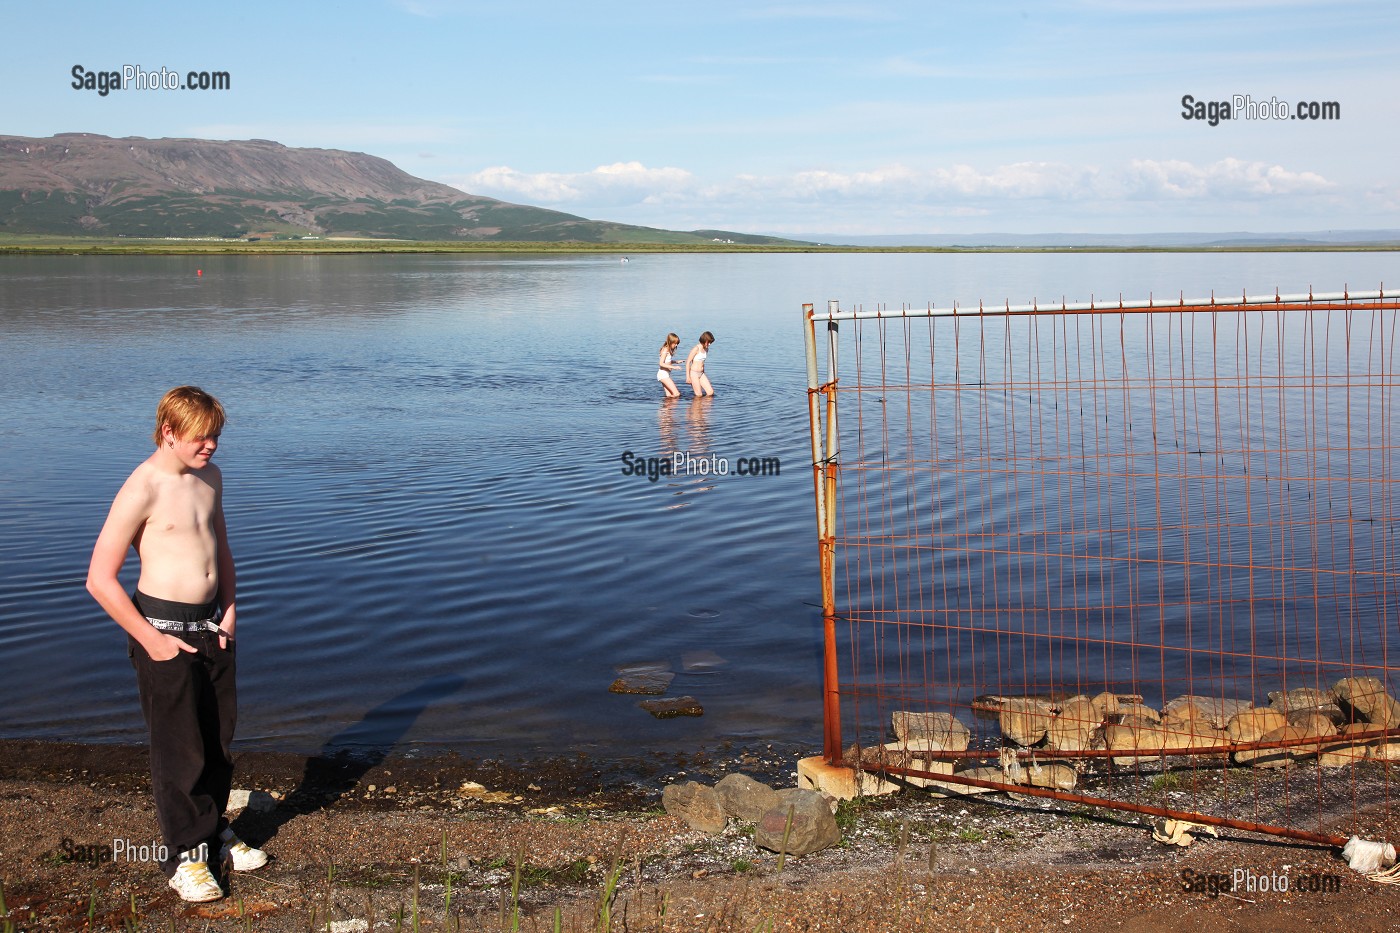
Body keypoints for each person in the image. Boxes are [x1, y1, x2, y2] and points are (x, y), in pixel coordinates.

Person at [85, 386, 266, 903]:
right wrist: (151, 639)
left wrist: (230, 610)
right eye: (200, 437)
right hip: (161, 628)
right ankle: (186, 858)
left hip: (211, 625)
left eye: (215, 437)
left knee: (217, 740)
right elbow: (99, 578)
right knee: (178, 747)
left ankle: (214, 835)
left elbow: (220, 546)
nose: (211, 446)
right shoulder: (143, 486)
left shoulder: (210, 476)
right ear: (168, 431)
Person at [686, 331, 716, 397]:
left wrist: (703, 372)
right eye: (709, 342)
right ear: (704, 340)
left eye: (710, 343)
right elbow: (688, 362)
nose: (709, 344)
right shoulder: (696, 349)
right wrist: (688, 377)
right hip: (694, 373)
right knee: (699, 395)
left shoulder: (706, 349)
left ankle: (703, 406)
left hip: (701, 373)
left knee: (710, 392)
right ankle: (696, 407)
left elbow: (702, 363)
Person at [656, 332, 683, 398]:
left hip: (665, 374)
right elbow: (661, 363)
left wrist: (676, 361)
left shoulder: (668, 349)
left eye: (677, 344)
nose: (676, 345)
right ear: (670, 342)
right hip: (663, 374)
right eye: (675, 343)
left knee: (669, 396)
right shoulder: (665, 350)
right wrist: (674, 367)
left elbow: (667, 361)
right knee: (677, 394)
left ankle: (666, 408)